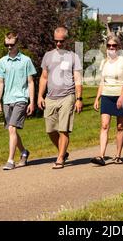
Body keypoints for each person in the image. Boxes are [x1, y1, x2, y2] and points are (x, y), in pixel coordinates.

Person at [38, 26, 83, 169]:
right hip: (51, 97)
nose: (58, 44)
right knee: (50, 130)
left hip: (67, 96)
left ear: (66, 41)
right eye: (56, 41)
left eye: (61, 41)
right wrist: (40, 95)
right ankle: (63, 152)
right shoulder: (48, 56)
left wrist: (79, 99)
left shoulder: (73, 56)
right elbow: (44, 77)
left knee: (64, 129)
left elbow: (77, 78)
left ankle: (60, 158)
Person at [0, 32, 37, 170]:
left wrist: (31, 101)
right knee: (12, 131)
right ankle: (24, 152)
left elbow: (30, 82)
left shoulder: (26, 61)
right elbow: (0, 82)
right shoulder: (2, 61)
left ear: (17, 44)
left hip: (21, 99)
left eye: (11, 45)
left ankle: (10, 160)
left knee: (12, 128)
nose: (9, 47)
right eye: (6, 44)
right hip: (7, 100)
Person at [91, 36, 123, 166]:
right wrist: (97, 98)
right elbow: (102, 82)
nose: (111, 48)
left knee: (120, 126)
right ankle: (101, 156)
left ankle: (118, 155)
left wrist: (122, 96)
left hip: (120, 96)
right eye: (109, 45)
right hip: (106, 96)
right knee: (104, 125)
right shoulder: (103, 62)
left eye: (114, 45)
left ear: (118, 47)